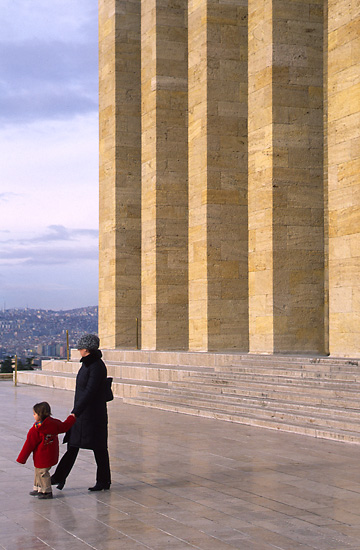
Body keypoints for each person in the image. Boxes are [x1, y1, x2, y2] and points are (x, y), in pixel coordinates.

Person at [51, 334, 111, 492]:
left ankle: (104, 481)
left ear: (87, 350)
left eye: (81, 348)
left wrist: (75, 412)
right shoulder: (87, 365)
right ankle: (59, 477)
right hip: (83, 414)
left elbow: (90, 391)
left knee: (99, 448)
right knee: (73, 445)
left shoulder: (96, 366)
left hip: (93, 416)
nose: (78, 350)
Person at [17, 401, 76, 499]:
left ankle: (47, 491)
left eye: (34, 414)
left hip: (41, 456)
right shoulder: (54, 423)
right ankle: (38, 488)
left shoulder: (36, 429)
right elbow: (64, 426)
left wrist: (21, 458)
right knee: (39, 472)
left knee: (42, 473)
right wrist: (72, 418)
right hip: (51, 455)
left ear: (40, 415)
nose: (33, 415)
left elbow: (29, 445)